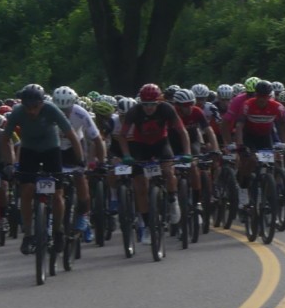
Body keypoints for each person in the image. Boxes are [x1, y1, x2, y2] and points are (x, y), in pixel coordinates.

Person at [2, 84, 84, 255]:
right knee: (27, 190)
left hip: (51, 150)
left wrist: (80, 161)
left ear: (42, 103)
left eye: (35, 107)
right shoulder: (17, 112)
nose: (32, 111)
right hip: (29, 150)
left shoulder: (51, 109)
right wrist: (8, 164)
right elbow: (5, 139)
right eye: (28, 107)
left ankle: (58, 231)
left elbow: (71, 136)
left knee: (58, 193)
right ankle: (28, 234)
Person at [116, 83, 189, 239]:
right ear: (141, 103)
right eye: (146, 105)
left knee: (168, 170)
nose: (149, 108)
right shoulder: (134, 112)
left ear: (159, 102)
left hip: (161, 143)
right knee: (140, 185)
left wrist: (187, 152)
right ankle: (148, 225)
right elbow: (122, 136)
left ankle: (172, 199)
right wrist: (126, 155)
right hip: (140, 146)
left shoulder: (167, 109)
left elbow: (181, 131)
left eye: (152, 104)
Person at [53, 86, 107, 242]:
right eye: (60, 109)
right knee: (55, 185)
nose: (64, 112)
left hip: (75, 147)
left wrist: (101, 162)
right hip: (55, 147)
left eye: (67, 108)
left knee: (80, 179)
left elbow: (97, 139)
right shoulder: (49, 112)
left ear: (73, 104)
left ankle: (84, 215)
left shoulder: (80, 113)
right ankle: (52, 217)